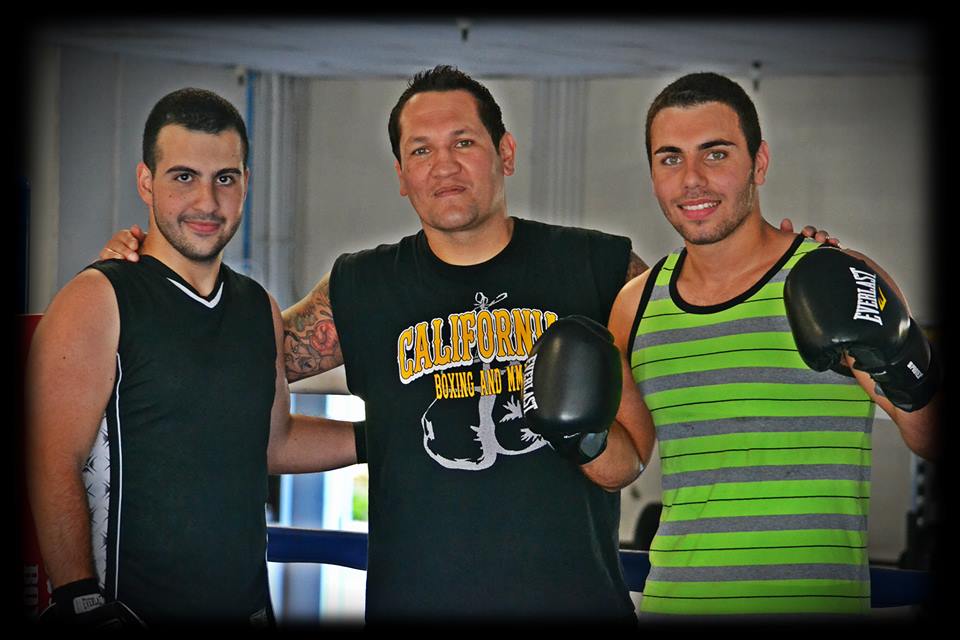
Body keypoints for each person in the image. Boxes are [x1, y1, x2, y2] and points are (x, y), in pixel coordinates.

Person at [98, 67, 829, 624]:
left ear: (504, 152)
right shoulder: (362, 286)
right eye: (421, 150)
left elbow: (699, 324)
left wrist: (790, 263)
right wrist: (149, 275)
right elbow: (227, 358)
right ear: (401, 175)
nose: (444, 166)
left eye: (464, 143)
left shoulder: (598, 269)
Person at [606, 72, 940, 618]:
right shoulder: (635, 305)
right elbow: (627, 461)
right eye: (670, 159)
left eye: (715, 154)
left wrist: (896, 359)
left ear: (759, 163)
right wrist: (568, 425)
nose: (692, 180)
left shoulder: (841, 279)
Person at [25, 88, 357, 627]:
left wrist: (386, 435)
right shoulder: (99, 299)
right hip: (131, 614)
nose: (207, 201)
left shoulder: (257, 307)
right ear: (146, 182)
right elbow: (50, 458)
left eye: (224, 178)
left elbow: (274, 442)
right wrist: (80, 600)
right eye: (184, 177)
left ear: (246, 183)